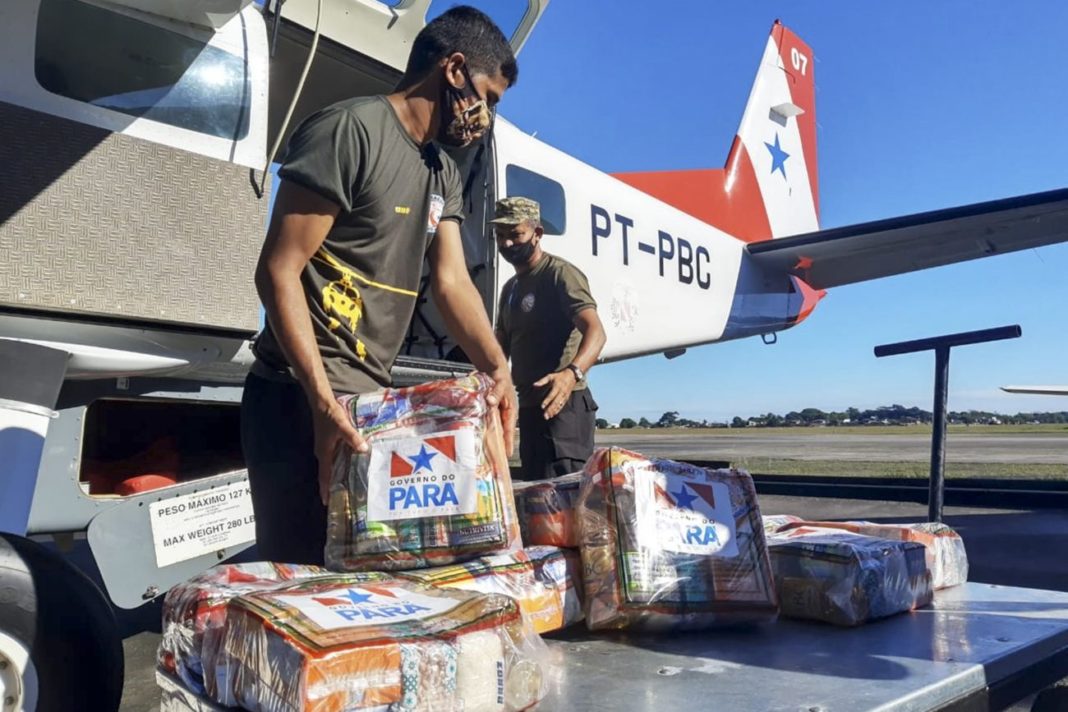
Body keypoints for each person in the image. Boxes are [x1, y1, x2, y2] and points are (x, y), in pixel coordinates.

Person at [242, 7, 519, 565]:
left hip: (367, 409)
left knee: (359, 583)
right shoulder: (350, 130)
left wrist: (498, 368)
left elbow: (452, 282)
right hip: (299, 400)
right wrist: (322, 404)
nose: (485, 116)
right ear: (454, 69)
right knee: (299, 581)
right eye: (487, 96)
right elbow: (278, 270)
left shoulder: (442, 171)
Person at [491, 197, 607, 480]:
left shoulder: (560, 275)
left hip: (565, 407)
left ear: (537, 234)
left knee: (565, 505)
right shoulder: (510, 289)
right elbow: (498, 347)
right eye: (500, 236)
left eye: (516, 234)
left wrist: (571, 374)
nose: (507, 244)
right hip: (530, 408)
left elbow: (597, 332)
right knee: (539, 503)